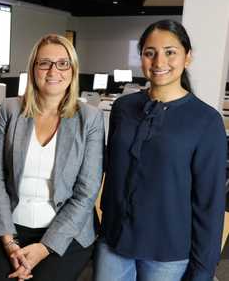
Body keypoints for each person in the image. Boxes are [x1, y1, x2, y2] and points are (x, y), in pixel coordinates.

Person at [95, 19, 227, 281]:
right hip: (114, 242)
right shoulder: (123, 107)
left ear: (187, 57)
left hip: (167, 252)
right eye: (149, 53)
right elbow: (113, 174)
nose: (159, 62)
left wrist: (203, 270)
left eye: (170, 52)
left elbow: (209, 203)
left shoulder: (205, 120)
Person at [0, 34, 104, 281]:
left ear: (72, 70)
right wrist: (9, 241)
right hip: (10, 227)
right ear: (34, 68)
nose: (53, 70)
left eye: (62, 63)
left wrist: (44, 248)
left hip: (65, 232)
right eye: (44, 63)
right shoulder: (10, 110)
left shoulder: (89, 119)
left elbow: (86, 192)